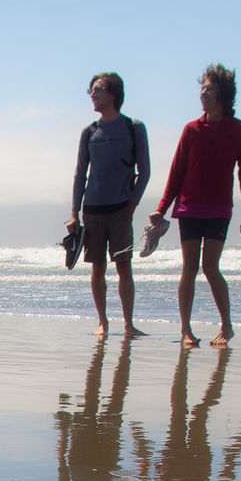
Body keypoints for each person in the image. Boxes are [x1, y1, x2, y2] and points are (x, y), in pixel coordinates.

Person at [147, 64, 241, 347]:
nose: (203, 94)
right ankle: (185, 329)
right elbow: (177, 172)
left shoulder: (239, 130)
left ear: (223, 93)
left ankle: (227, 325)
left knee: (210, 267)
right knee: (189, 267)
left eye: (209, 89)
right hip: (189, 208)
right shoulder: (191, 130)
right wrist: (162, 209)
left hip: (219, 209)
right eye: (201, 89)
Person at [68, 73, 151, 339]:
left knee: (123, 265)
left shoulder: (133, 127)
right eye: (91, 90)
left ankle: (128, 324)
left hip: (120, 209)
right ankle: (103, 323)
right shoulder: (89, 132)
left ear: (113, 94)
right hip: (92, 209)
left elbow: (145, 171)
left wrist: (132, 204)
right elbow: (80, 173)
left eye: (98, 90)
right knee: (97, 267)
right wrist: (74, 212)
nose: (92, 94)